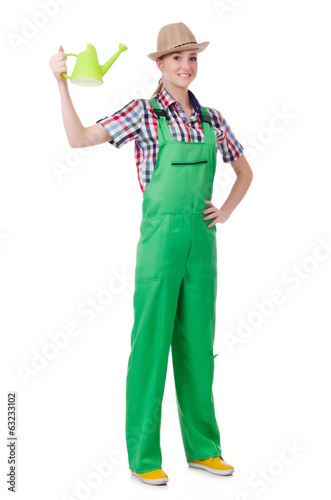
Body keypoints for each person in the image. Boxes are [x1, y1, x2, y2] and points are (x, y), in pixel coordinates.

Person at [49, 21, 253, 486]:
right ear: (159, 65)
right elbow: (79, 138)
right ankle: (143, 454)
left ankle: (204, 448)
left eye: (192, 57)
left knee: (198, 347)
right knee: (150, 346)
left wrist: (223, 212)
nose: (186, 66)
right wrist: (61, 82)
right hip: (159, 241)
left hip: (203, 245)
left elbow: (245, 173)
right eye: (177, 58)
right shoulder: (143, 113)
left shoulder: (212, 120)